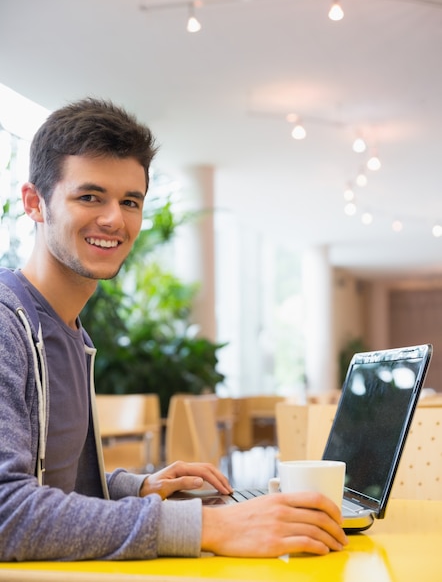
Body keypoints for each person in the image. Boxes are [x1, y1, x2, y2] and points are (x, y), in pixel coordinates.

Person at [0, 97, 348, 561]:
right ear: (34, 203)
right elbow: (7, 513)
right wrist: (205, 524)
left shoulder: (71, 333)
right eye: (89, 196)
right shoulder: (8, 322)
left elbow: (58, 485)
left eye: (130, 202)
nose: (114, 219)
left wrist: (140, 486)